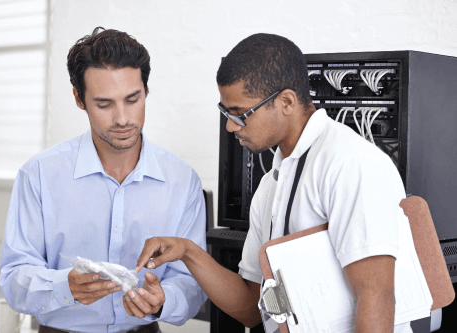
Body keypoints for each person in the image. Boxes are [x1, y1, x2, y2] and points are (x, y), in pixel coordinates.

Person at [132, 33, 413, 333]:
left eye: (240, 114)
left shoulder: (349, 163)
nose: (230, 126)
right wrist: (189, 251)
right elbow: (252, 308)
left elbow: (377, 298)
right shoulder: (271, 186)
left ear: (287, 102)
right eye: (226, 113)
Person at [0, 27, 207, 333]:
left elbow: (191, 280)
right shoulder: (39, 175)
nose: (122, 118)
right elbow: (13, 277)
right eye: (104, 104)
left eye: (132, 99)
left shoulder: (182, 180)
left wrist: (165, 300)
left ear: (146, 91)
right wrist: (63, 286)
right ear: (79, 99)